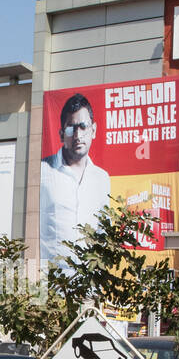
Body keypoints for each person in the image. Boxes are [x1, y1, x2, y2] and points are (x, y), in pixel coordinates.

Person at [40, 93, 110, 266]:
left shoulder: (102, 179)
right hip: (52, 285)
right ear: (61, 134)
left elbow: (103, 233)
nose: (78, 135)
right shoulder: (42, 171)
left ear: (93, 130)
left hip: (90, 286)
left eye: (83, 126)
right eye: (71, 128)